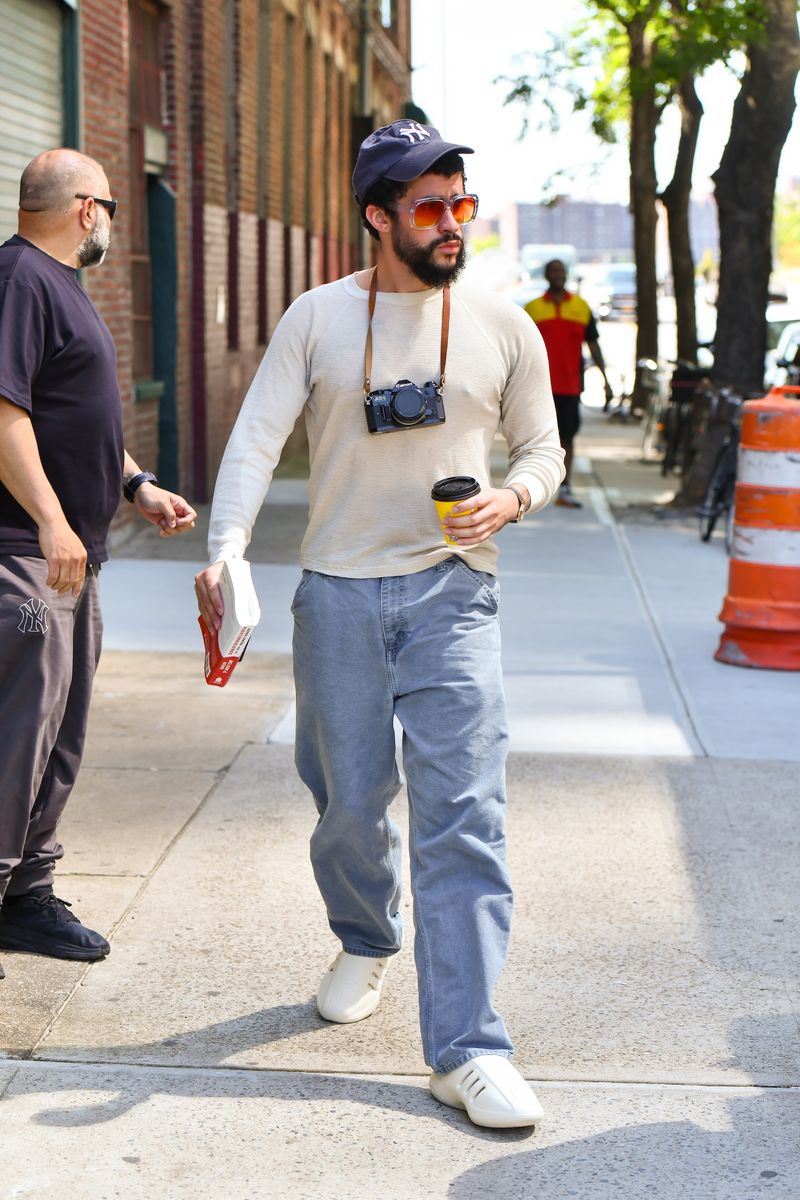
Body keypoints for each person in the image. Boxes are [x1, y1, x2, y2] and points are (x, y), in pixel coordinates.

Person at [195, 120, 564, 1129]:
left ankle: (467, 1047)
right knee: (347, 805)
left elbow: (543, 447)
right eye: (428, 210)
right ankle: (366, 931)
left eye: (461, 208)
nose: (451, 226)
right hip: (339, 599)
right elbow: (255, 441)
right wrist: (226, 547)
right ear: (376, 215)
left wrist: (514, 499)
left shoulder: (500, 323)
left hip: (454, 592)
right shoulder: (317, 318)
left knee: (464, 823)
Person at [0, 150, 197, 981]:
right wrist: (49, 520)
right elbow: (4, 413)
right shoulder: (19, 281)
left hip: (75, 557)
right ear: (87, 209)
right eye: (110, 205)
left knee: (60, 734)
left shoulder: (61, 288)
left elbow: (75, 410)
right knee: (15, 735)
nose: (111, 220)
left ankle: (26, 897)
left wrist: (135, 483)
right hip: (26, 557)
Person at [525, 258, 613, 508]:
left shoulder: (581, 308)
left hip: (571, 386)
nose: (557, 275)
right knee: (534, 440)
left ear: (566, 275)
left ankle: (565, 488)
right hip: (536, 388)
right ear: (546, 275)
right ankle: (533, 488)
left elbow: (593, 345)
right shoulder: (532, 309)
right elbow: (520, 350)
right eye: (553, 271)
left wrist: (606, 380)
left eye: (561, 271)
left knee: (567, 439)